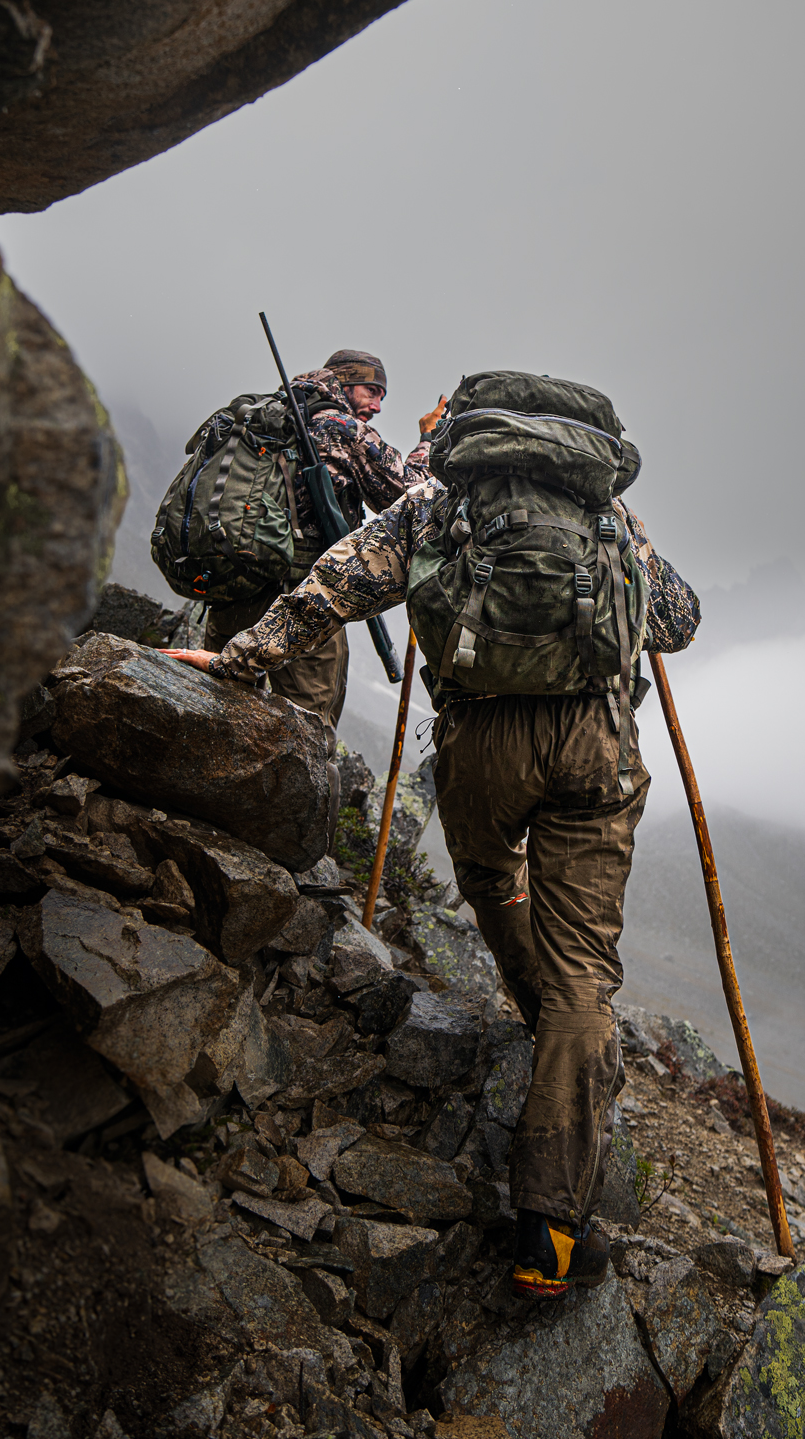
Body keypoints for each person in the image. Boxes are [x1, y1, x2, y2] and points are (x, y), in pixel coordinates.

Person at [170, 374, 699, 1301]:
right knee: (586, 977)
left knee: (490, 879)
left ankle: (545, 1021)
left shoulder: (438, 501)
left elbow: (334, 585)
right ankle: (550, 1230)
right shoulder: (607, 513)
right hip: (596, 742)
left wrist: (241, 658)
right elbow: (679, 621)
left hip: (480, 738)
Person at [201, 348, 445, 733]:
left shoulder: (269, 415)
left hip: (233, 584)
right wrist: (429, 438)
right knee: (308, 726)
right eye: (371, 391)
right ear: (344, 383)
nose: (378, 405)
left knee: (212, 706)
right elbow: (410, 496)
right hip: (300, 597)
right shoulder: (339, 426)